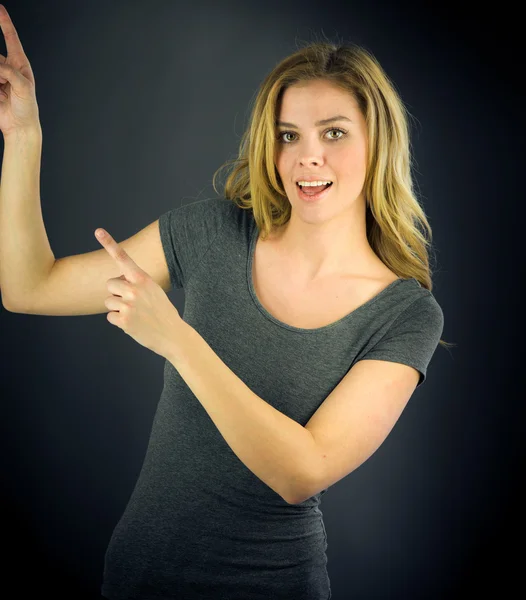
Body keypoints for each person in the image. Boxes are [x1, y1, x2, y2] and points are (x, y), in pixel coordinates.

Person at [0, 5, 453, 599]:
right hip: (137, 578)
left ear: (379, 142)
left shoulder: (404, 315)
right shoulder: (212, 233)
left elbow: (302, 471)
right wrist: (24, 134)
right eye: (289, 135)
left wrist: (177, 340)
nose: (306, 157)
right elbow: (28, 288)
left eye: (334, 132)